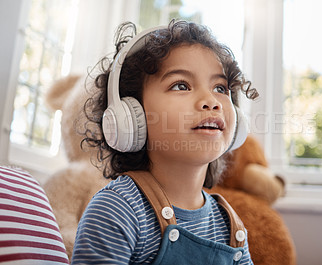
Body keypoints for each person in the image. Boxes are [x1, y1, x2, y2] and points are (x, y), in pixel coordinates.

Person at [71, 19, 258, 264]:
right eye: (181, 85)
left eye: (221, 88)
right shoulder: (117, 209)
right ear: (130, 115)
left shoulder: (230, 223)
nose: (211, 100)